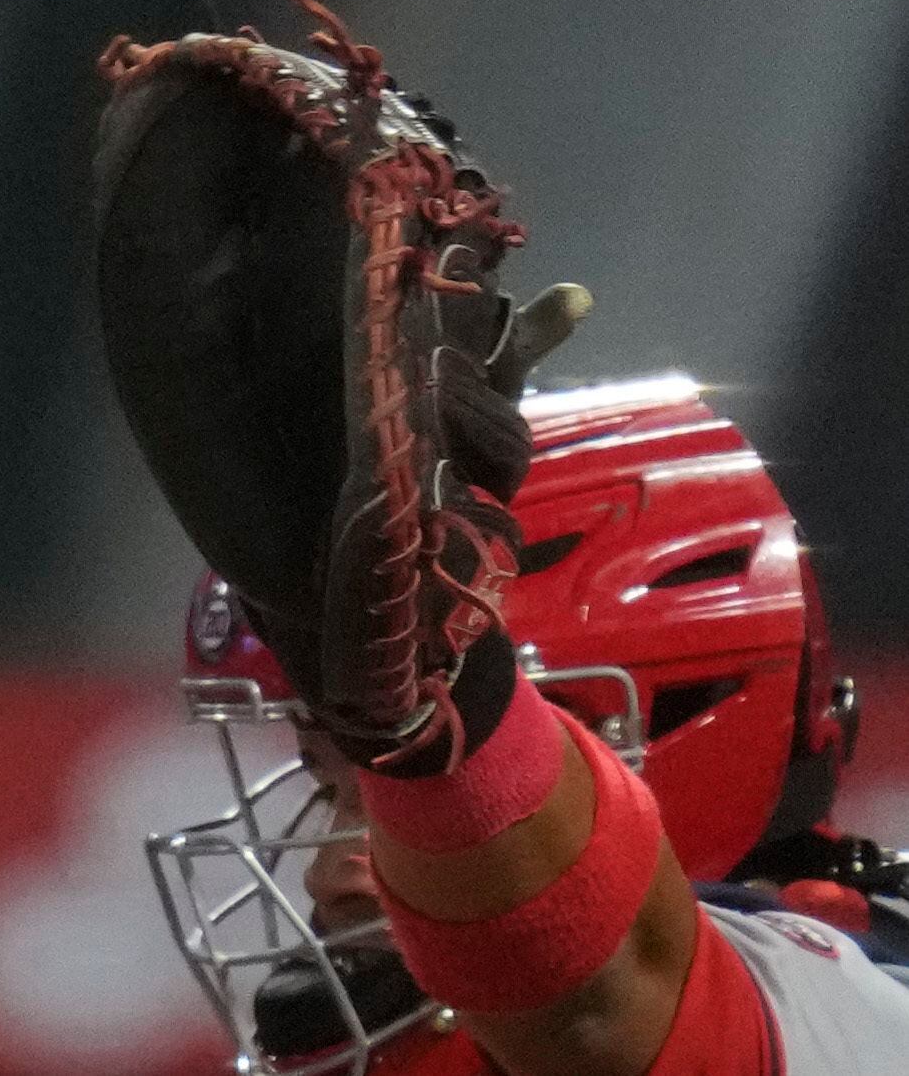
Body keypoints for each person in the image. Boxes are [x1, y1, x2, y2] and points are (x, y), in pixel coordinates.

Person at [146, 372, 909, 1075]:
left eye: (402, 788)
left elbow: (594, 1006)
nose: (325, 874)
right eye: (327, 780)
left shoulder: (840, 1011)